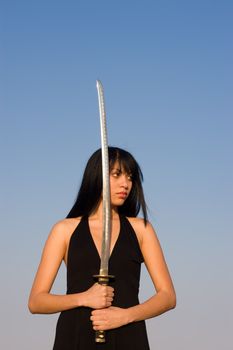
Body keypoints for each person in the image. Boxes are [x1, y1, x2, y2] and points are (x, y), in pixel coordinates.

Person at [28, 147, 176, 349]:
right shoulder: (64, 230)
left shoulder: (142, 229)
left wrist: (125, 316)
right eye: (117, 175)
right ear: (97, 176)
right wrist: (84, 298)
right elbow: (36, 301)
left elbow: (167, 296)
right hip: (75, 337)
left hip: (129, 335)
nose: (126, 184)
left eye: (130, 177)